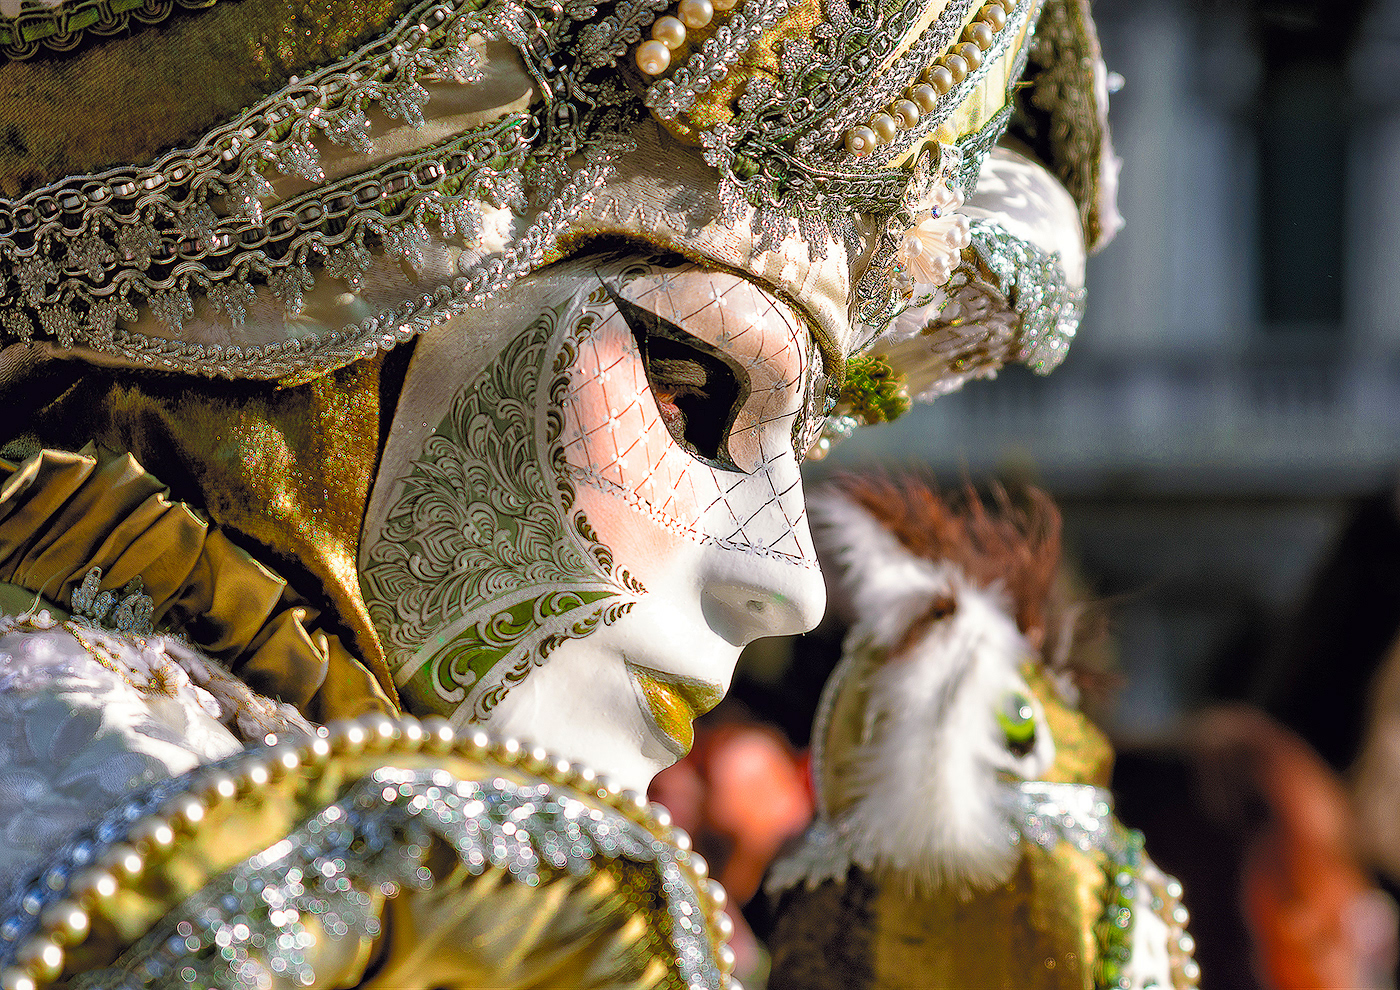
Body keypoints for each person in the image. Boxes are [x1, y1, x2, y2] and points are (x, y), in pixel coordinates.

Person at [0, 0, 1117, 983]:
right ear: (331, 330)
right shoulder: (162, 842)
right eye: (689, 395)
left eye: (803, 444)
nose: (789, 585)